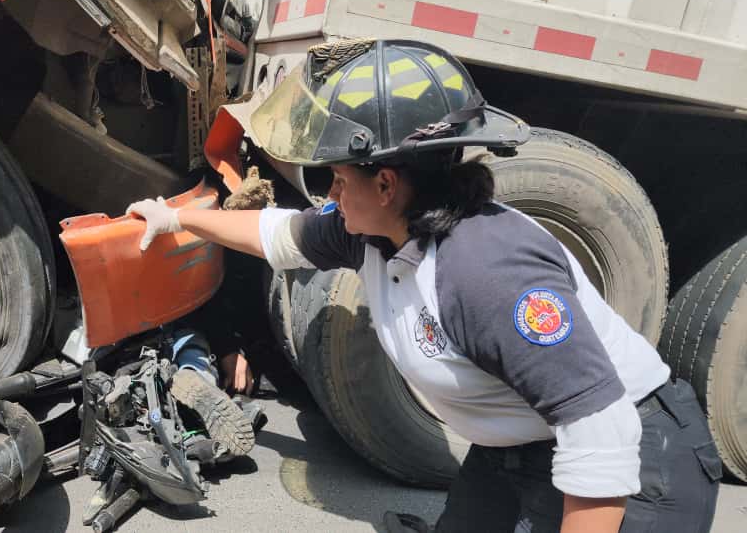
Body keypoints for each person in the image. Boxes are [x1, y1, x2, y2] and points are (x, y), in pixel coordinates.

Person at [127, 39, 721, 533]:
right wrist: (174, 218)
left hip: (638, 463)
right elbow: (276, 233)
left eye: (336, 178)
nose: (329, 195)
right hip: (522, 445)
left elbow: (598, 429)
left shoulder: (487, 271)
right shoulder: (372, 231)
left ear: (386, 184)